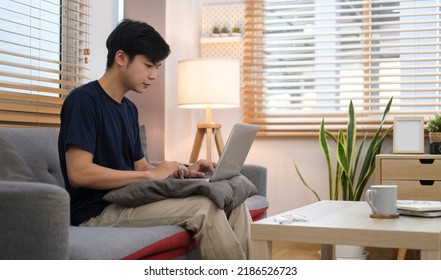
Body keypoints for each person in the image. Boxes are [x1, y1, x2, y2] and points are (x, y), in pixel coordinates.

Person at [57, 19, 252, 260]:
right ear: (121, 58)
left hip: (127, 202)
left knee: (235, 202)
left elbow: (141, 167)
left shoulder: (128, 108)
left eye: (157, 67)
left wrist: (185, 170)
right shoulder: (83, 101)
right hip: (95, 212)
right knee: (205, 208)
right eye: (149, 65)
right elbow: (79, 173)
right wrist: (149, 175)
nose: (153, 75)